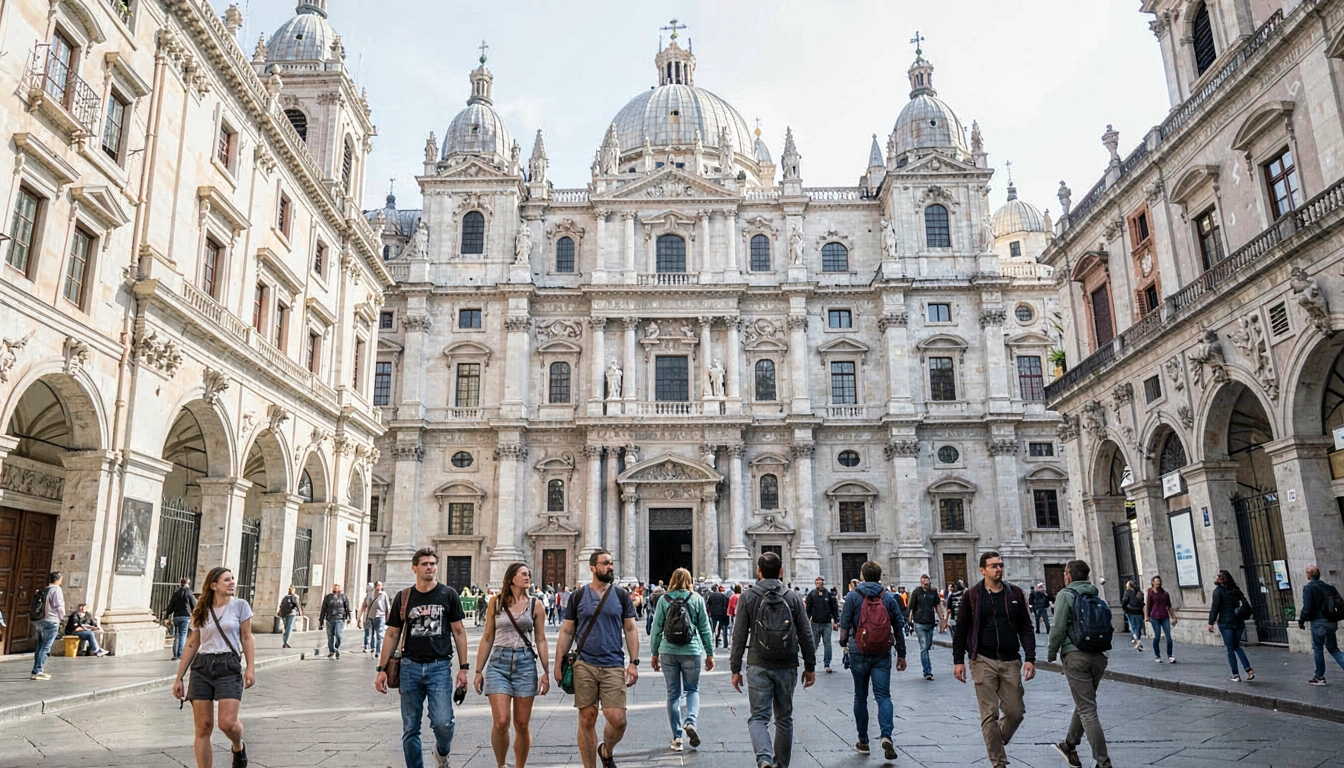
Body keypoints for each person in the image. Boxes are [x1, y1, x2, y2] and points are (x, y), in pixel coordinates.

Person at [375, 547, 470, 768]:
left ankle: (442, 750)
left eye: (433, 564)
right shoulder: (404, 597)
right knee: (410, 727)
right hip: (409, 667)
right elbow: (392, 633)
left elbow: (458, 631)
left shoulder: (448, 594)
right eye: (425, 564)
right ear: (414, 568)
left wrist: (464, 667)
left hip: (440, 666)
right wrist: (381, 669)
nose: (430, 567)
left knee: (443, 723)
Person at [553, 550, 639, 768]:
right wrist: (557, 663)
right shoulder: (578, 596)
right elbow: (566, 631)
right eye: (605, 563)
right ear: (592, 568)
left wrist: (634, 662)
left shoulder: (620, 596)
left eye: (611, 563)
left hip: (612, 663)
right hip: (584, 663)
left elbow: (630, 628)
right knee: (587, 717)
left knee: (618, 719)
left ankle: (606, 750)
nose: (610, 567)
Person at [730, 552, 816, 768]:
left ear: (758, 571)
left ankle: (764, 758)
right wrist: (810, 666)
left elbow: (739, 635)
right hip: (787, 664)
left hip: (758, 663)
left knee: (758, 717)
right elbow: (806, 634)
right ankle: (781, 765)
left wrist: (735, 668)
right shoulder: (793, 597)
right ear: (781, 571)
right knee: (784, 718)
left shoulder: (748, 597)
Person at [952, 552, 1036, 768]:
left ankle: (996, 741)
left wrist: (1030, 658)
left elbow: (1026, 627)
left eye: (1000, 565)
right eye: (993, 566)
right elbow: (961, 629)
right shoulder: (972, 595)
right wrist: (958, 660)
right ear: (982, 570)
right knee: (989, 713)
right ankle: (999, 763)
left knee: (1015, 711)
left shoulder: (1015, 593)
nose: (998, 569)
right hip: (982, 659)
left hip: (1010, 660)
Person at [172, 566, 255, 768]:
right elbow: (192, 643)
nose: (232, 582)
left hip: (228, 665)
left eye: (232, 578)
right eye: (227, 579)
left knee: (227, 723)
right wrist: (179, 677)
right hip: (202, 667)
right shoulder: (201, 609)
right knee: (203, 728)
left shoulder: (240, 606)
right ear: (213, 585)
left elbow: (246, 637)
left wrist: (250, 667)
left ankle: (238, 745)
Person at [474, 562, 550, 768]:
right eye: (523, 574)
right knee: (501, 722)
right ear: (512, 577)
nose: (528, 577)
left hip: (525, 663)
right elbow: (488, 637)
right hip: (498, 663)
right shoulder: (495, 602)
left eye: (529, 574)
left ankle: (520, 766)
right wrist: (478, 670)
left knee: (522, 724)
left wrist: (546, 671)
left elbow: (541, 639)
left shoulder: (536, 605)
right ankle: (501, 765)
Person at [837, 561, 907, 760]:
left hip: (858, 651)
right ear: (879, 575)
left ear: (862, 575)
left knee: (860, 696)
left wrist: (845, 644)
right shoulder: (888, 597)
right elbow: (898, 626)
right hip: (882, 652)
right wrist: (901, 654)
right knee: (883, 696)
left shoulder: (852, 596)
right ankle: (886, 736)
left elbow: (844, 625)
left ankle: (863, 741)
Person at [1047, 559, 1112, 768]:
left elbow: (1057, 628)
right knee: (1085, 703)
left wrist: (1050, 653)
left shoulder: (1066, 595)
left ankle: (1103, 762)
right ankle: (1069, 745)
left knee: (1087, 709)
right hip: (1099, 656)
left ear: (1068, 575)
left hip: (1075, 656)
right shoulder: (1094, 595)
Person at [650, 567, 714, 752]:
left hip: (668, 651)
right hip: (692, 650)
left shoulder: (664, 599)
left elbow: (656, 629)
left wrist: (654, 654)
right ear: (690, 580)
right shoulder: (696, 599)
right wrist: (710, 654)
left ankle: (677, 738)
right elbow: (705, 628)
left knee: (673, 695)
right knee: (692, 690)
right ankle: (691, 722)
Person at [1299, 565, 1344, 685]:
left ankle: (1319, 677)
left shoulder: (1309, 588)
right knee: (1334, 649)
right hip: (1331, 622)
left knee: (1318, 649)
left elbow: (1307, 607)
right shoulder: (1329, 587)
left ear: (1309, 575)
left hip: (1318, 622)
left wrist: (1301, 620)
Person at [1207, 569, 1255, 682]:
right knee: (1236, 646)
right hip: (1238, 622)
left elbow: (1215, 608)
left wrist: (1211, 622)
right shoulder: (1236, 590)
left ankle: (1236, 674)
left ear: (1221, 579)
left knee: (1230, 648)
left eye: (1217, 576)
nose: (1215, 578)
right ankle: (1248, 670)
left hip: (1226, 623)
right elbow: (1244, 603)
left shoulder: (1218, 591)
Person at [908, 573, 945, 681]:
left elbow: (937, 606)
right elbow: (911, 608)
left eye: (928, 584)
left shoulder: (933, 592)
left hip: (930, 623)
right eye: (924, 584)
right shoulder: (916, 592)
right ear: (921, 583)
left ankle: (927, 665)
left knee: (928, 645)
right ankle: (927, 672)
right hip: (919, 623)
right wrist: (910, 621)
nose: (926, 586)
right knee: (924, 647)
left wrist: (942, 618)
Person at [30, 571, 64, 681]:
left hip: (39, 620)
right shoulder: (56, 589)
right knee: (45, 647)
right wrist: (62, 617)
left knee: (40, 645)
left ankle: (36, 670)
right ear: (59, 579)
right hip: (51, 620)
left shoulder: (45, 589)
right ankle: (38, 671)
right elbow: (58, 605)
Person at [803, 576, 840, 673]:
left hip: (826, 622)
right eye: (817, 581)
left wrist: (836, 621)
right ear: (815, 583)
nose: (819, 583)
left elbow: (834, 608)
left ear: (823, 583)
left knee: (827, 644)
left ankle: (827, 664)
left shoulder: (828, 594)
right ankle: (811, 663)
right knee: (814, 644)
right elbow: (808, 608)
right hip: (815, 623)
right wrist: (807, 619)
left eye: (821, 581)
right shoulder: (811, 594)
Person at [1145, 575, 1177, 663]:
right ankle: (1157, 655)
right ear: (1153, 582)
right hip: (1154, 616)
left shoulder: (1165, 593)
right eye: (1156, 581)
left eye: (1159, 581)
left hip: (1164, 616)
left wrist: (1174, 617)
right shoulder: (1150, 592)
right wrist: (1146, 616)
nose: (1158, 582)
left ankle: (1170, 656)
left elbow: (1169, 606)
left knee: (1169, 637)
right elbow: (1148, 605)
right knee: (1157, 636)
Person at [165, 577, 198, 660]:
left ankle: (175, 654)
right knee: (183, 635)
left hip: (176, 616)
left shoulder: (176, 593)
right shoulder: (189, 593)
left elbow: (171, 606)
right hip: (186, 616)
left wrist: (166, 616)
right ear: (188, 583)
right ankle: (180, 654)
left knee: (177, 636)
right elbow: (194, 605)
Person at [319, 584, 352, 659]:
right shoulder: (328, 597)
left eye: (336, 588)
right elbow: (323, 609)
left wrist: (349, 617)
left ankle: (336, 647)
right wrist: (321, 620)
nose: (335, 589)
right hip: (330, 618)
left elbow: (347, 608)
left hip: (340, 618)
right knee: (330, 636)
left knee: (338, 635)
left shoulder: (343, 597)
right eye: (334, 588)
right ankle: (332, 651)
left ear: (339, 589)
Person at [361, 581, 391, 656]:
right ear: (375, 586)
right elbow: (366, 605)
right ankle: (371, 647)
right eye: (378, 585)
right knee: (370, 633)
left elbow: (387, 607)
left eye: (380, 585)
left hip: (380, 616)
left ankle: (378, 650)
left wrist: (389, 619)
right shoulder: (370, 594)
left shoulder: (383, 595)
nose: (379, 587)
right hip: (370, 616)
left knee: (380, 634)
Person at [1121, 580, 1145, 651]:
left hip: (1130, 611)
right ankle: (1138, 640)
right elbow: (1142, 602)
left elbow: (1124, 601)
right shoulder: (1140, 593)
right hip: (1139, 612)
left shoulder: (1127, 592)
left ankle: (1134, 640)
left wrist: (1125, 609)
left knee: (1133, 627)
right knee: (1138, 628)